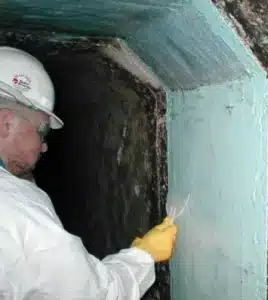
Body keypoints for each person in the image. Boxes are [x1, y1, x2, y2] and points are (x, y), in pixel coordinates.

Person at [0, 46, 178, 299]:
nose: (43, 146)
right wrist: (145, 255)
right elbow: (92, 294)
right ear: (7, 124)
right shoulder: (18, 206)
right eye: (41, 132)